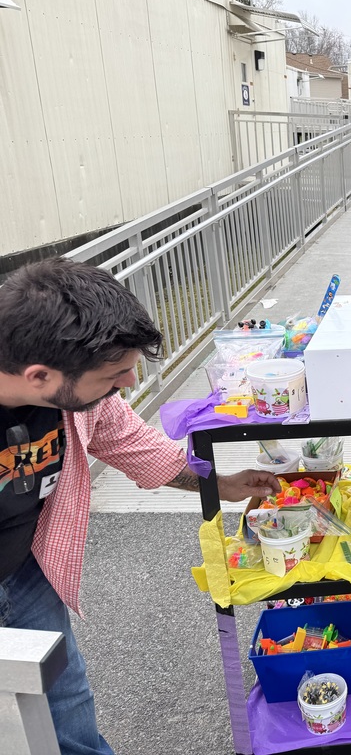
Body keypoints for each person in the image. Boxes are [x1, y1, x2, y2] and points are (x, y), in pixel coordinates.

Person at [0, 257, 278, 754]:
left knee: (64, 701)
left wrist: (222, 485)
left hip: (25, 569)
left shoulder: (80, 397)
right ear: (39, 376)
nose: (129, 383)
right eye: (115, 374)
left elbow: (134, 443)